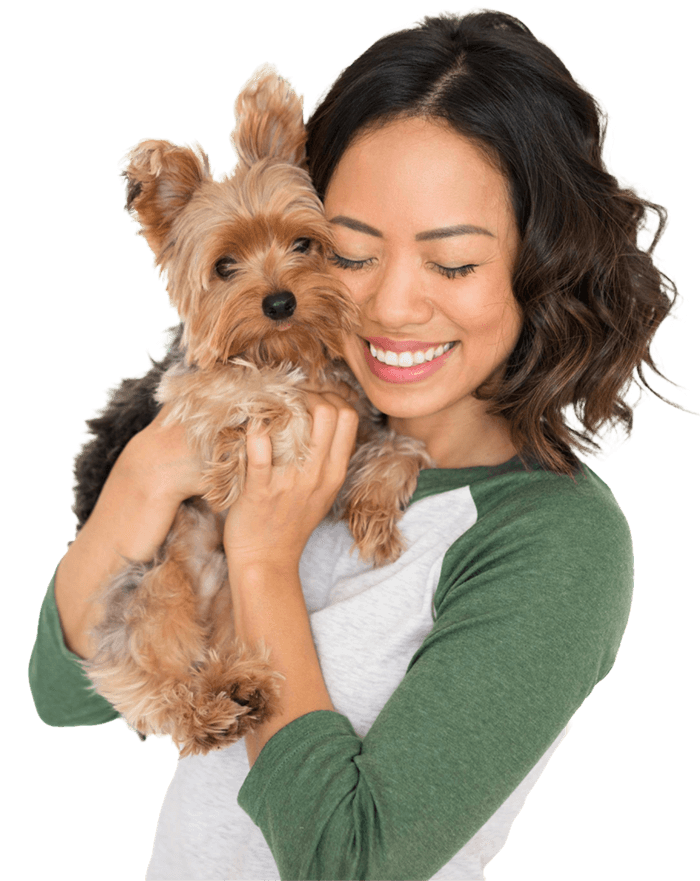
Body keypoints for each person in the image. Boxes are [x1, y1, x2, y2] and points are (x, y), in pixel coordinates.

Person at [29, 9, 691, 880]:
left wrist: (262, 560)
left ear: (544, 264)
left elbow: (354, 863)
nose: (389, 308)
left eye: (452, 264)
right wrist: (149, 472)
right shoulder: (266, 424)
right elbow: (63, 690)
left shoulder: (552, 541)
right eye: (347, 252)